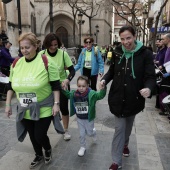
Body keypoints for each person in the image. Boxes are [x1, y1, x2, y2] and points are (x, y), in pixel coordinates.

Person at [99, 25, 156, 170]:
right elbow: (111, 71)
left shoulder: (145, 54)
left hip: (134, 98)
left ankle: (125, 144)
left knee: (128, 126)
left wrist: (149, 88)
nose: (126, 42)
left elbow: (150, 76)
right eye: (122, 39)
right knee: (119, 128)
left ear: (135, 36)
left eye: (128, 38)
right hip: (117, 97)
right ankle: (116, 162)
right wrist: (104, 79)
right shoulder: (117, 51)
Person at [5, 32, 62, 169]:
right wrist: (7, 104)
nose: (24, 51)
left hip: (44, 107)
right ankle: (38, 155)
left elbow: (55, 85)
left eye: (27, 47)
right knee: (32, 135)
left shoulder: (46, 62)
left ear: (36, 46)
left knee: (39, 135)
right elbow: (10, 86)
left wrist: (56, 104)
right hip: (24, 107)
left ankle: (47, 149)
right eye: (22, 48)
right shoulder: (16, 63)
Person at [42, 33, 75, 141]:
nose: (53, 47)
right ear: (46, 45)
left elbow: (72, 70)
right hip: (47, 86)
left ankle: (66, 130)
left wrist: (67, 80)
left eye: (55, 44)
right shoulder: (42, 54)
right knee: (47, 109)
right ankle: (44, 130)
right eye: (51, 45)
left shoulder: (62, 54)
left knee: (64, 108)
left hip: (62, 85)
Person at [62, 75, 106, 156]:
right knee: (81, 134)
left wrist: (103, 89)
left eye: (83, 86)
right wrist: (63, 89)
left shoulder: (91, 94)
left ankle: (93, 132)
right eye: (79, 86)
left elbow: (100, 95)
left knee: (89, 133)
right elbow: (68, 94)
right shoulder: (75, 94)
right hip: (79, 119)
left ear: (87, 86)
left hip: (89, 118)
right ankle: (82, 147)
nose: (81, 88)